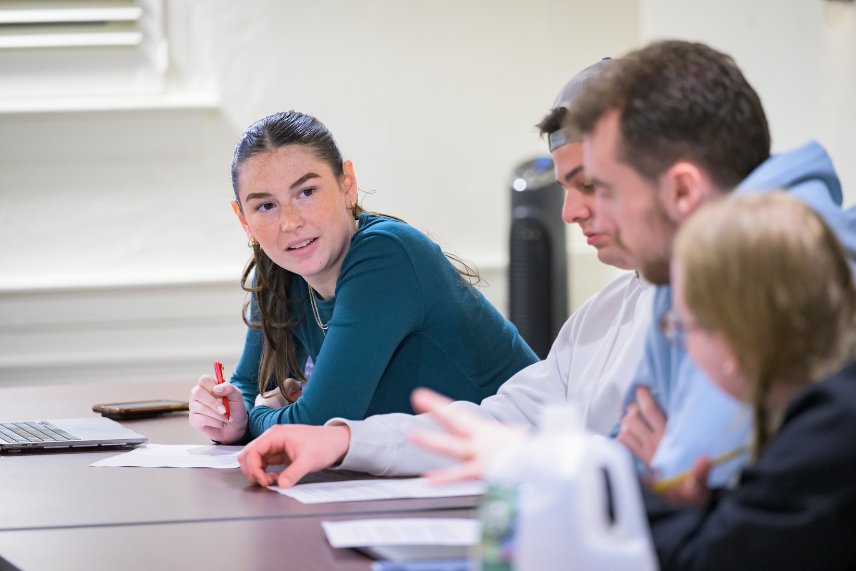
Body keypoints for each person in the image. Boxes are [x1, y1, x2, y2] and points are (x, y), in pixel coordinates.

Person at [237, 61, 658, 488]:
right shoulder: (600, 315)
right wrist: (343, 441)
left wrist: (278, 418)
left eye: (590, 185)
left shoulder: (714, 314)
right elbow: (503, 418)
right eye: (567, 189)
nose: (569, 213)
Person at [409, 193, 856, 570]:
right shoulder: (814, 413)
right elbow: (753, 530)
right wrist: (700, 505)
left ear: (738, 338)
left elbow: (717, 557)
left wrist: (544, 462)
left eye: (684, 328)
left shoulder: (830, 431)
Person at [564, 40, 856, 485]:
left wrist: (667, 471)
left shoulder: (781, 261)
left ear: (682, 191)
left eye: (604, 190)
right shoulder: (674, 269)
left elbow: (695, 485)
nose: (587, 213)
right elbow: (632, 452)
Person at [188, 111, 539, 445]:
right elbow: (247, 388)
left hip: (527, 462)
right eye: (266, 206)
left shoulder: (386, 255)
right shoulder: (280, 271)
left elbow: (319, 424)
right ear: (244, 220)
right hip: (428, 472)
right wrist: (230, 417)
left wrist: (257, 417)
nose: (290, 222)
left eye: (306, 192)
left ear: (347, 185)